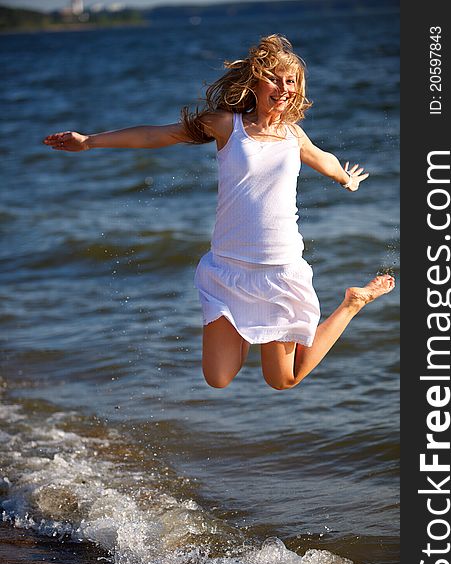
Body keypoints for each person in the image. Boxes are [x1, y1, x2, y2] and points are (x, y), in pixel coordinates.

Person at [43, 34, 395, 391]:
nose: (283, 87)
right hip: (228, 270)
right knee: (218, 378)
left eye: (291, 81)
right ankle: (244, 325)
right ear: (254, 83)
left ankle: (353, 302)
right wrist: (89, 141)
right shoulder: (227, 126)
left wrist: (345, 178)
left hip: (280, 270)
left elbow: (326, 160)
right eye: (274, 78)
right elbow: (155, 136)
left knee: (283, 380)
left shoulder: (294, 136)